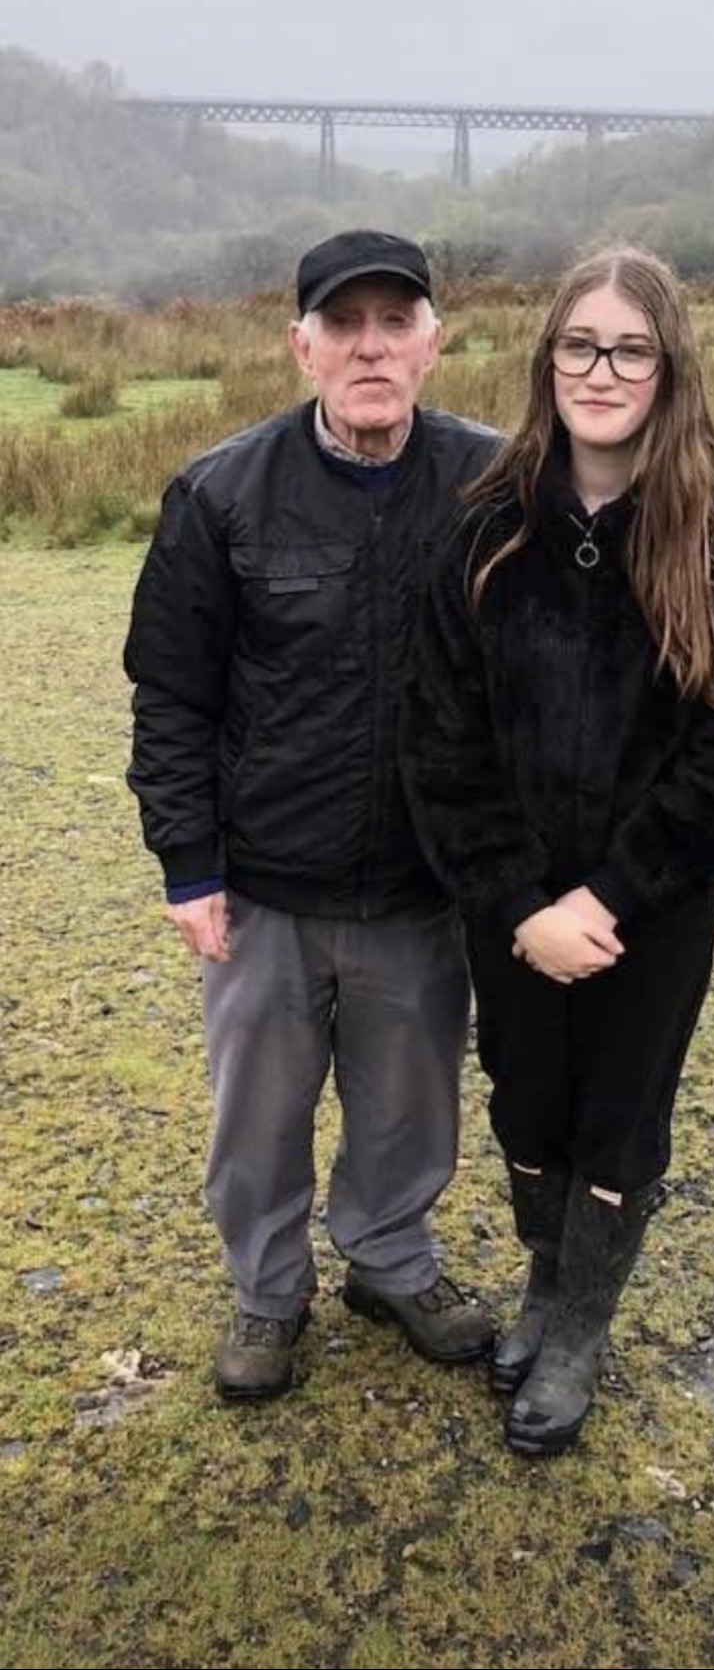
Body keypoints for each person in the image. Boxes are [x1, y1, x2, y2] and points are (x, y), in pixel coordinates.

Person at [401, 245, 714, 1456]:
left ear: (668, 368)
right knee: (525, 1097)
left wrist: (611, 895)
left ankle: (579, 1324)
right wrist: (521, 901)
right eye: (580, 345)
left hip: (651, 916)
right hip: (510, 909)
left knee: (620, 1117)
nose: (602, 370)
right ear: (548, 360)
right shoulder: (484, 529)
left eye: (631, 349)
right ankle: (542, 1283)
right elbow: (439, 736)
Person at [124, 229, 499, 1401]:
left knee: (409, 1109)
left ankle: (390, 1262)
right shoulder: (219, 494)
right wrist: (188, 866)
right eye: (344, 324)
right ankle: (266, 1290)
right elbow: (172, 696)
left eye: (395, 322)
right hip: (263, 889)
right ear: (301, 347)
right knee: (257, 1118)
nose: (369, 347)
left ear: (434, 343)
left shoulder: (497, 484)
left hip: (425, 884)